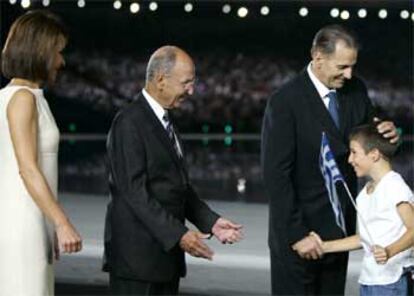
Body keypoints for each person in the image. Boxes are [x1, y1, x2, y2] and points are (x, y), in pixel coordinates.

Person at [261, 24, 399, 295]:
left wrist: (389, 134)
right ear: (318, 58)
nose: (349, 74)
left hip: (338, 233)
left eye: (352, 66)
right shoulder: (284, 101)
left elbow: (370, 137)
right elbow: (276, 177)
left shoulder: (355, 89)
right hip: (298, 236)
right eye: (342, 67)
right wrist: (297, 233)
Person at [103, 45, 243, 295]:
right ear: (160, 80)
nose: (191, 90)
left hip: (164, 259)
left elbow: (177, 187)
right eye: (186, 83)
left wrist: (211, 222)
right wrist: (179, 234)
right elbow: (133, 192)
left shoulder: (165, 121)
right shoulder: (129, 122)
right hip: (137, 262)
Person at [0, 10, 82, 296]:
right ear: (39, 51)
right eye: (58, 52)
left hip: (32, 220)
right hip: (23, 221)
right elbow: (28, 169)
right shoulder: (22, 98)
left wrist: (50, 223)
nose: (61, 61)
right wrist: (61, 223)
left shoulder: (28, 97)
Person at [310, 123, 414, 296]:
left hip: (392, 281)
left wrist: (389, 251)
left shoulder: (395, 186)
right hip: (369, 280)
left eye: (354, 152)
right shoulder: (364, 194)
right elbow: (363, 238)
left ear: (374, 155)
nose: (350, 159)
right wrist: (324, 246)